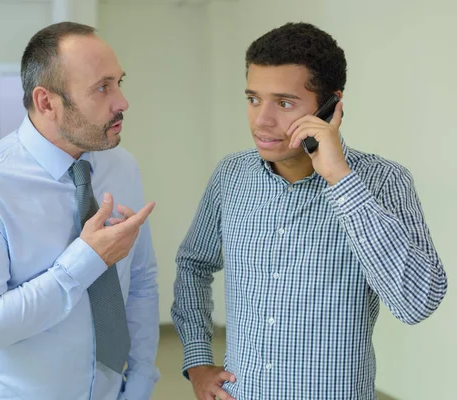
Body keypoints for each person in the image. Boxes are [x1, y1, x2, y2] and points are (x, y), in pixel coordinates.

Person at [171, 22, 447, 400]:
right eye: (253, 99)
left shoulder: (385, 181)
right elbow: (193, 265)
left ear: (330, 105)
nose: (261, 120)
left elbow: (417, 302)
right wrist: (198, 363)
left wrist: (339, 178)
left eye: (284, 103)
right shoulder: (230, 176)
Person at [0, 22, 160, 400]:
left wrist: (139, 380)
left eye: (119, 82)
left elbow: (139, 280)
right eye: (102, 87)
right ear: (46, 103)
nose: (122, 102)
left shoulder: (121, 166)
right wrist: (85, 260)